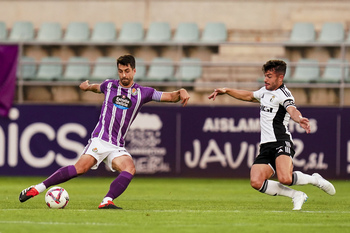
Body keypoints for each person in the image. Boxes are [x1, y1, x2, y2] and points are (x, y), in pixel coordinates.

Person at [19, 54, 190, 209]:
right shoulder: (109, 85)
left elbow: (170, 97)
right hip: (100, 140)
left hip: (117, 146)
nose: (123, 75)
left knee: (129, 168)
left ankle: (107, 200)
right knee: (80, 169)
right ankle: (37, 188)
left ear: (134, 71)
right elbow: (96, 87)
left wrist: (181, 91)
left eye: (127, 71)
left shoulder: (143, 93)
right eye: (121, 71)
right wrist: (87, 87)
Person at [208, 59, 335, 210]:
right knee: (256, 181)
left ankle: (315, 180)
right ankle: (296, 195)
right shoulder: (264, 91)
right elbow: (249, 96)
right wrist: (227, 90)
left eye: (269, 76)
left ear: (280, 78)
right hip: (266, 146)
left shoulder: (284, 95)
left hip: (281, 141)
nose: (265, 79)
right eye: (265, 76)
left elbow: (292, 110)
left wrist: (299, 119)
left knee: (285, 178)